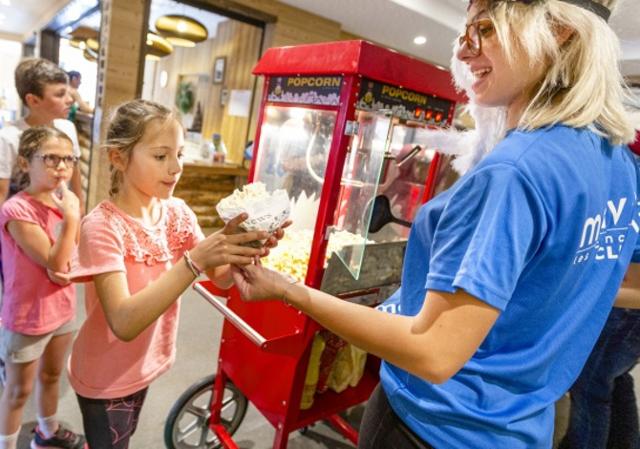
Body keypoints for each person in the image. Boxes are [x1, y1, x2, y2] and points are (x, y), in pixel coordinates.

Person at [230, 0, 640, 448]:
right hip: (524, 427)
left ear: (558, 29)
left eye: (484, 29)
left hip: (435, 424)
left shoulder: (514, 172)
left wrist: (289, 290)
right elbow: (583, 280)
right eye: (464, 33)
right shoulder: (617, 161)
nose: (464, 53)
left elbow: (433, 351)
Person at [66, 99, 282, 449]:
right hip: (105, 374)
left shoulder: (177, 213)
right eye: (161, 155)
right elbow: (123, 321)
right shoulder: (102, 227)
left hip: (144, 363)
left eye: (179, 154)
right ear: (119, 157)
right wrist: (193, 261)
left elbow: (222, 277)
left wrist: (245, 248)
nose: (176, 167)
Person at [0, 126, 85, 449]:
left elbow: (70, 257)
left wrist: (69, 267)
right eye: (50, 158)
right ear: (25, 163)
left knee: (51, 376)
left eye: (68, 159)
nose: (62, 167)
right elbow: (53, 260)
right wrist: (73, 219)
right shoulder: (16, 210)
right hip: (27, 315)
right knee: (18, 390)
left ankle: (47, 433)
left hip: (62, 308)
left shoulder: (64, 203)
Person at [559, 137, 640, 449]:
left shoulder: (622, 165)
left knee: (590, 386)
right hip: (627, 309)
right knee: (614, 378)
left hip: (625, 310)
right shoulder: (623, 161)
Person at [0, 58, 84, 209]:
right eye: (60, 94)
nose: (70, 100)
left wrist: (80, 210)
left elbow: (75, 171)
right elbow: (1, 192)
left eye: (68, 92)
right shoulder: (9, 137)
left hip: (59, 215)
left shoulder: (68, 127)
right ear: (33, 100)